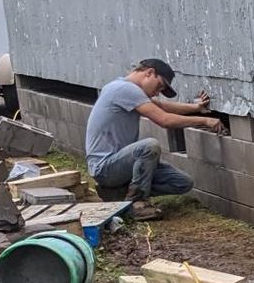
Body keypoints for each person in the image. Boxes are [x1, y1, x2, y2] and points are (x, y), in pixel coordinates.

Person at [83, 58, 223, 220]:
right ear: (149, 73)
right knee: (149, 146)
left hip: (118, 167)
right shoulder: (124, 89)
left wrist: (195, 108)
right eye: (159, 86)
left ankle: (115, 193)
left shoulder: (124, 88)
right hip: (105, 168)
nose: (157, 92)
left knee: (182, 182)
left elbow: (161, 106)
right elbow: (164, 119)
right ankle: (137, 205)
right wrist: (205, 121)